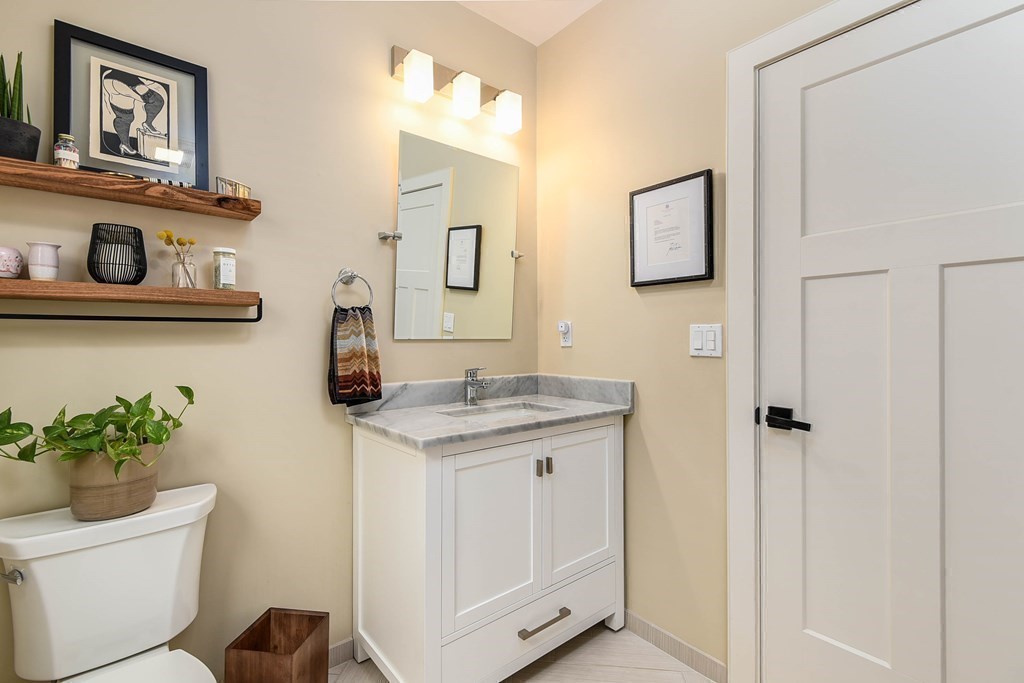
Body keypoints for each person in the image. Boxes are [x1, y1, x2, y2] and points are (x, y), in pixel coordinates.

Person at [101, 70, 166, 156]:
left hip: (110, 81)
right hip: (120, 83)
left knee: (125, 117)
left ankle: (125, 144)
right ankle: (147, 124)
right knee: (156, 101)